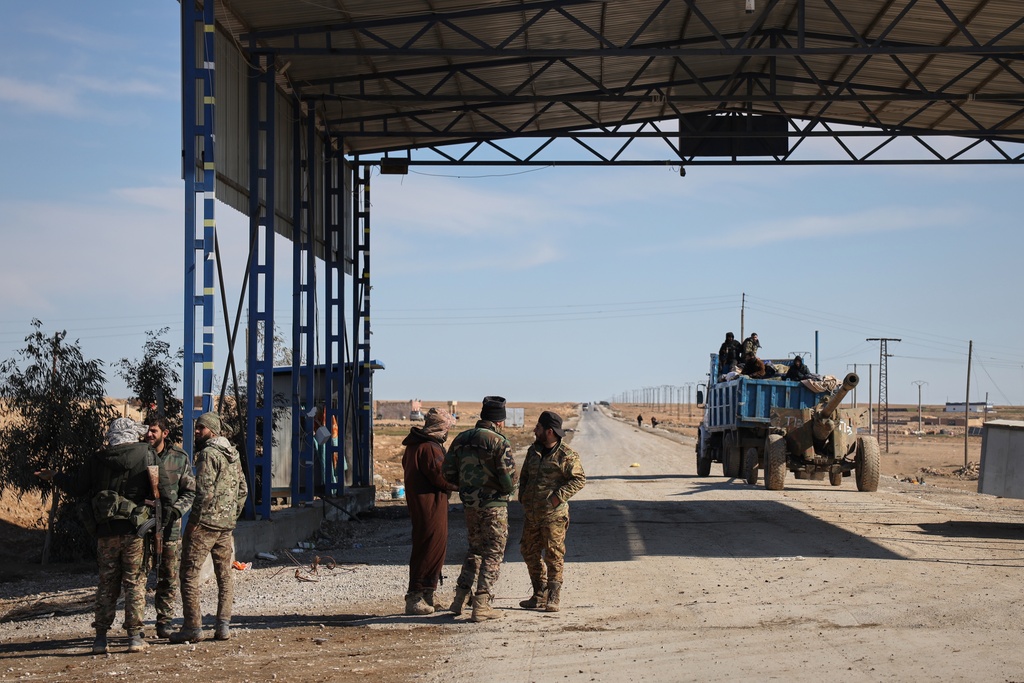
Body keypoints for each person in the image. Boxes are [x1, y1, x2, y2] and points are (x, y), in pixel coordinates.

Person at [36, 417, 172, 654]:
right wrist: (159, 518)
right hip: (136, 532)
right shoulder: (147, 455)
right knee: (135, 583)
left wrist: (55, 476)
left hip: (105, 532)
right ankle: (134, 637)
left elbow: (77, 487)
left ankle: (100, 638)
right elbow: (166, 493)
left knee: (107, 583)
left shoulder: (98, 459)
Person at [170, 412, 247, 644]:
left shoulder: (207, 454)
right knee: (224, 575)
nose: (196, 432)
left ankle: (193, 627)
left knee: (189, 573)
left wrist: (193, 522)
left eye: (201, 428)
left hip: (205, 525)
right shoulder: (233, 454)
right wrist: (231, 515)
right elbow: (242, 489)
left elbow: (203, 492)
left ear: (212, 431)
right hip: (225, 526)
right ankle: (223, 626)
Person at [442, 396, 517, 622]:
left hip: (470, 505)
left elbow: (447, 473)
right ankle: (482, 604)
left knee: (474, 550)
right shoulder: (499, 442)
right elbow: (509, 480)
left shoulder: (462, 439)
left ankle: (459, 599)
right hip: (494, 506)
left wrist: (466, 488)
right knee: (493, 552)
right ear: (500, 421)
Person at [517, 411, 586, 612]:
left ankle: (553, 596)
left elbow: (579, 479)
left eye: (537, 427)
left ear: (549, 432)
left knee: (553, 554)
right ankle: (539, 593)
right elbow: (524, 477)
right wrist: (523, 496)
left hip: (553, 515)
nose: (534, 430)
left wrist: (558, 497)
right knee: (528, 551)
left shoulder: (566, 455)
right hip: (532, 514)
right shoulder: (533, 451)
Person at [141, 415, 196, 639]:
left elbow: (190, 491)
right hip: (143, 524)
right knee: (139, 574)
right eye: (147, 430)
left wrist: (176, 511)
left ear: (165, 433)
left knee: (168, 574)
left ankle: (164, 621)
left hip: (170, 527)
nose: (149, 434)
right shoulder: (139, 455)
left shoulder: (179, 458)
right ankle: (135, 623)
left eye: (154, 430)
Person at [402, 407, 458, 615]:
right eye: (446, 428)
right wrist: (462, 483)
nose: (447, 433)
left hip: (426, 504)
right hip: (429, 505)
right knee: (428, 547)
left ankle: (427, 594)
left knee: (433, 547)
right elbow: (441, 475)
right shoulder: (428, 448)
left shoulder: (416, 446)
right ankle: (415, 596)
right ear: (440, 428)